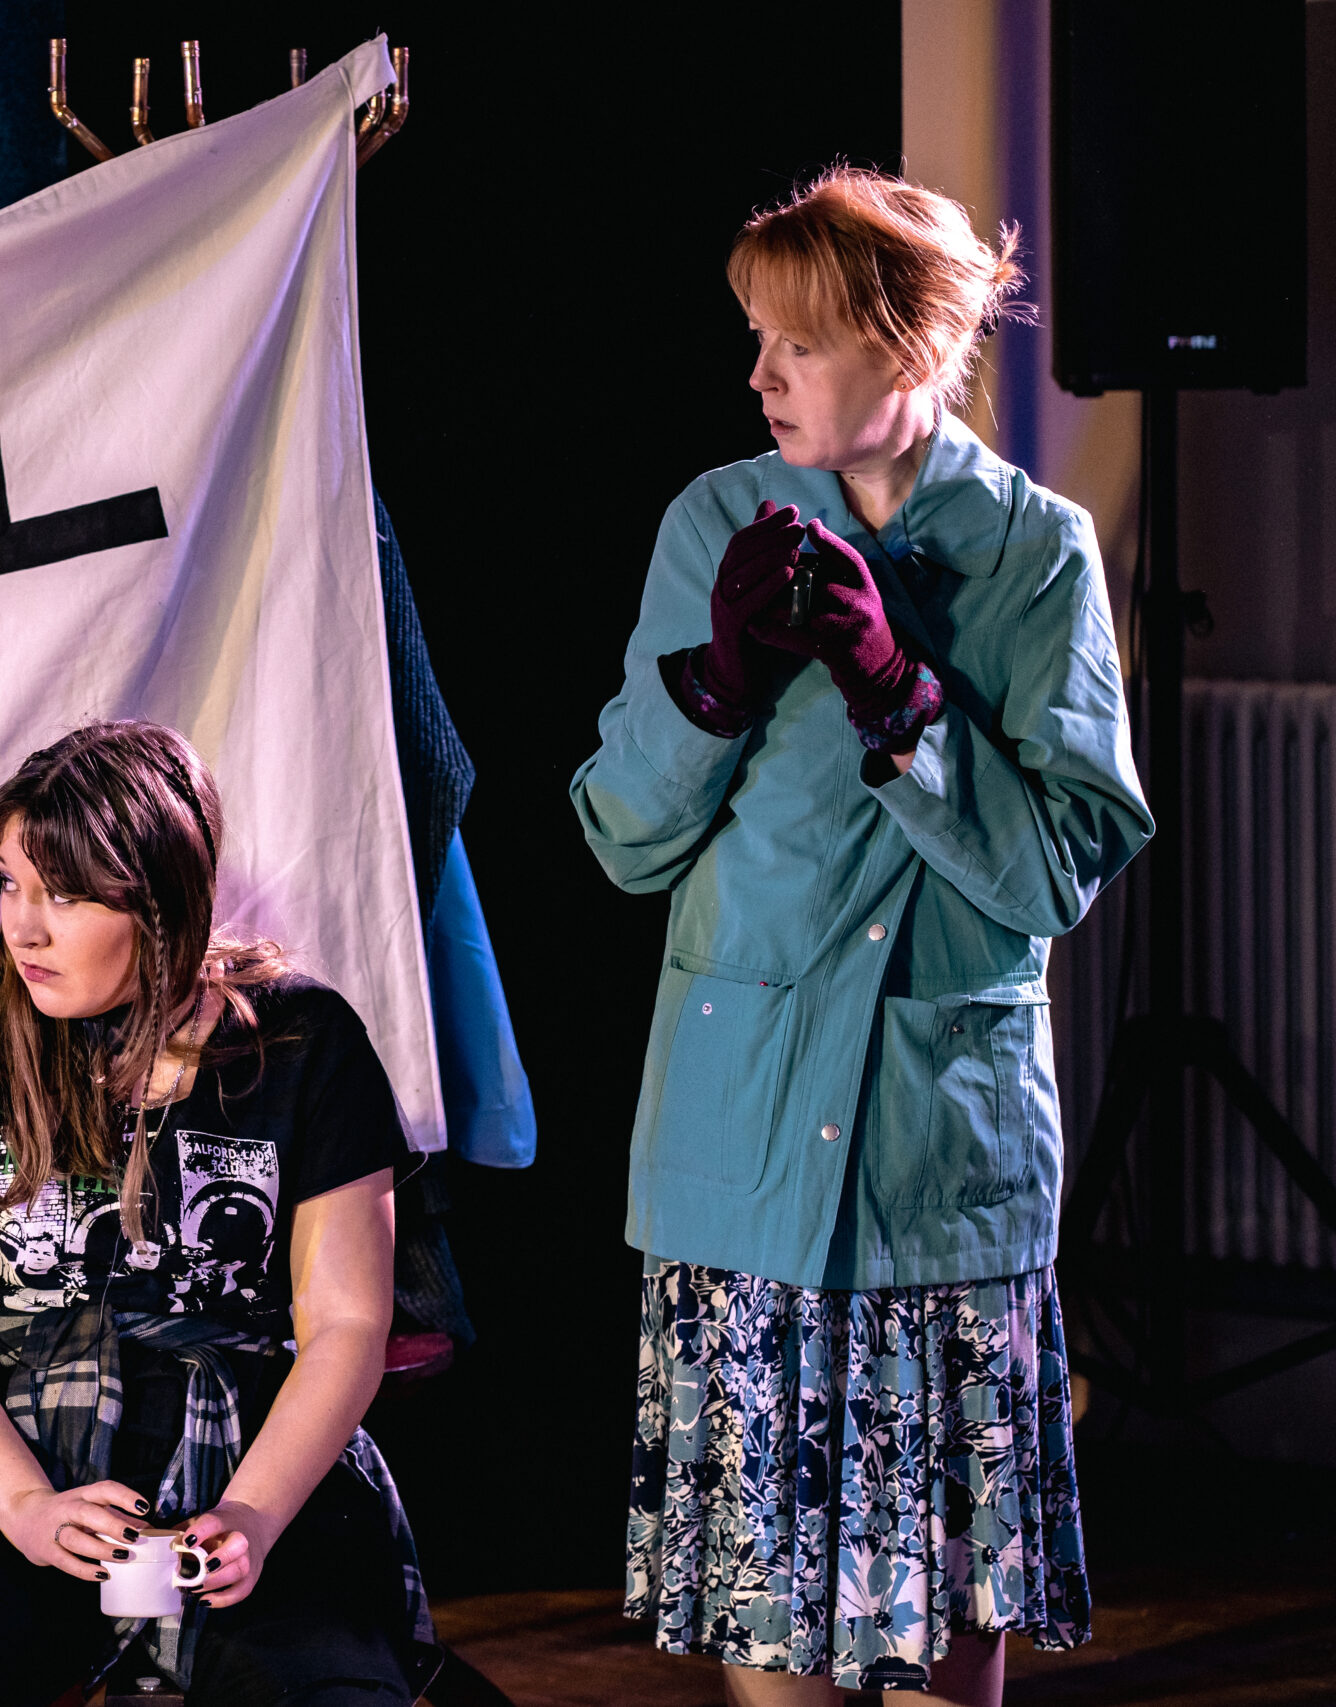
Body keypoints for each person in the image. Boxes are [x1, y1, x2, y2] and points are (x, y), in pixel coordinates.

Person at [571, 169, 1154, 1706]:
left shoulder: (1037, 554)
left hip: (934, 1187)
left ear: (907, 350)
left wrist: (907, 701)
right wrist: (715, 683)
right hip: (743, 1163)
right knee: (777, 1661)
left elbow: (1060, 869)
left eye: (796, 345)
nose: (757, 376)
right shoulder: (714, 520)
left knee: (943, 1672)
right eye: (754, 337)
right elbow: (623, 838)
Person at [0, 720, 438, 1707]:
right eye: (10, 884)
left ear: (162, 905)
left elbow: (347, 1319)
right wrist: (24, 1508)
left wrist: (255, 1516)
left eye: (65, 895)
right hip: (12, 1440)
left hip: (252, 1441)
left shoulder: (307, 1039)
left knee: (327, 1689)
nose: (23, 927)